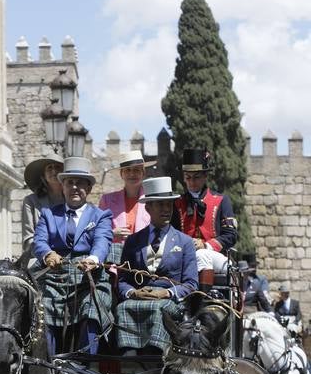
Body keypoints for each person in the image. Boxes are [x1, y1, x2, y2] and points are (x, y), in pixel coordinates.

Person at [33, 156, 114, 355]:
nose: (75, 187)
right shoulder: (48, 214)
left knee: (93, 308)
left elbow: (102, 241)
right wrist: (48, 254)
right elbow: (39, 241)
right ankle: (48, 364)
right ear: (63, 187)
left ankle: (86, 365)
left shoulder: (101, 216)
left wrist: (94, 259)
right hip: (54, 277)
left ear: (89, 188)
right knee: (41, 309)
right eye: (70, 183)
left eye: (80, 183)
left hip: (88, 277)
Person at [117, 176, 198, 352]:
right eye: (160, 204)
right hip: (138, 299)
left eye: (169, 205)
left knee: (159, 309)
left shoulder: (185, 242)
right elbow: (122, 280)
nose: (166, 209)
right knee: (122, 308)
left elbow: (191, 284)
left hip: (170, 303)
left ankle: (156, 355)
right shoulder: (133, 241)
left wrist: (166, 292)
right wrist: (133, 292)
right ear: (148, 207)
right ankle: (129, 356)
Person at [173, 148, 238, 291]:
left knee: (202, 255)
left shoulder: (221, 200)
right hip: (185, 258)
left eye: (196, 177)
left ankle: (201, 301)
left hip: (217, 256)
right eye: (188, 177)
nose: (191, 182)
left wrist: (206, 246)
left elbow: (231, 235)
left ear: (205, 176)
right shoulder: (176, 203)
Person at [99, 150, 155, 261]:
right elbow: (98, 230)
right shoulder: (107, 200)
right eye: (128, 170)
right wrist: (112, 234)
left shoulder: (153, 200)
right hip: (115, 261)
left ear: (143, 173)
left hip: (145, 259)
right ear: (121, 174)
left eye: (136, 170)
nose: (132, 174)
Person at [21, 150, 64, 251]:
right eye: (49, 168)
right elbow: (28, 239)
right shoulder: (31, 201)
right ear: (43, 175)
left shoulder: (72, 202)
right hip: (40, 258)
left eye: (58, 167)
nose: (54, 171)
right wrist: (46, 254)